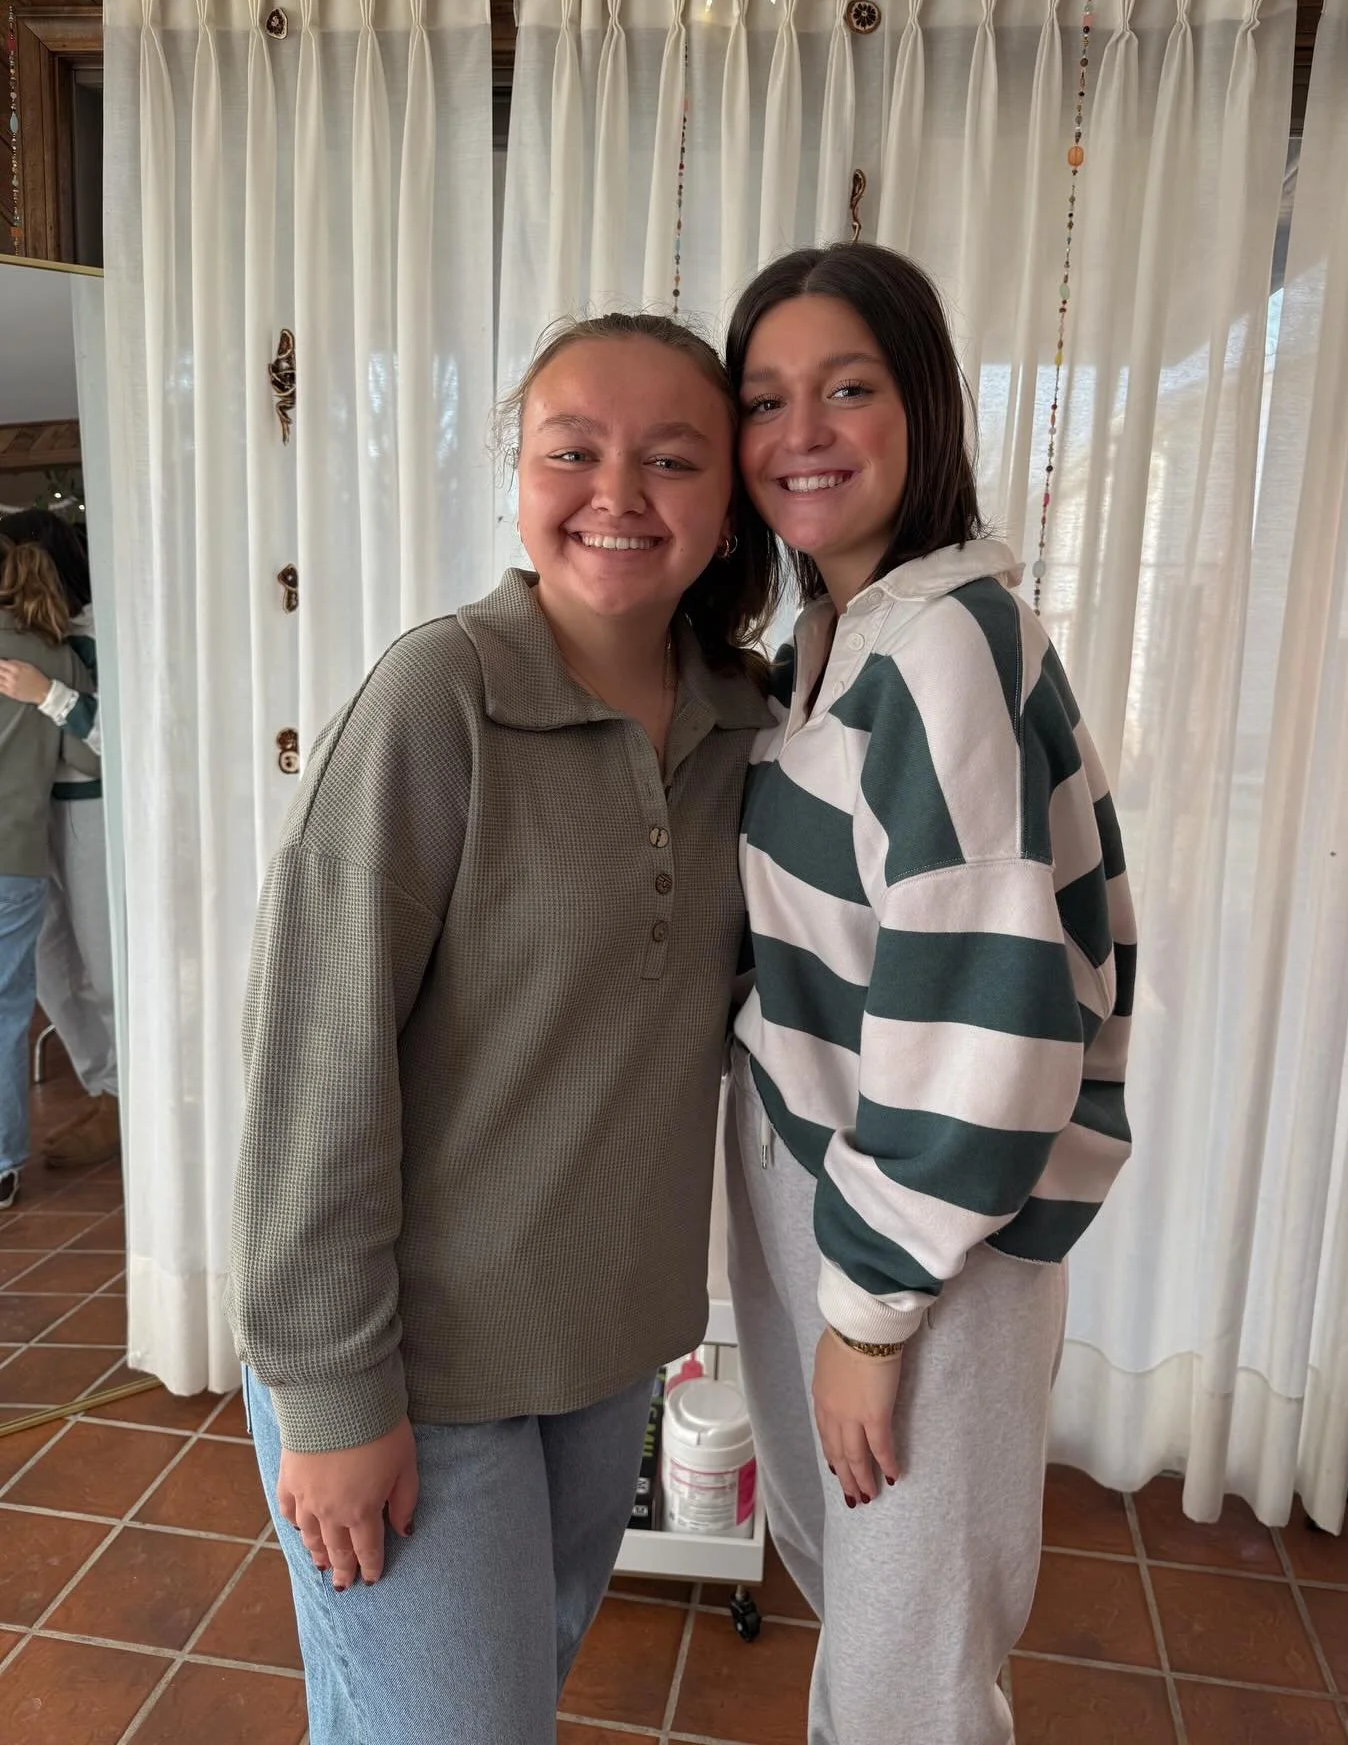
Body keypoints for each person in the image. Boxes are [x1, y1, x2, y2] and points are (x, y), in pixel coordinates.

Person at [228, 313, 778, 1745]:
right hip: (412, 1361)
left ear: (729, 508)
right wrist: (334, 1398)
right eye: (573, 450)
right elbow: (313, 1072)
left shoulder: (750, 727)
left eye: (672, 459)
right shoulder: (441, 697)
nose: (619, 493)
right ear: (517, 475)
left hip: (601, 1357)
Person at [723, 244, 1136, 1745]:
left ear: (926, 407)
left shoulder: (951, 647)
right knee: (868, 1606)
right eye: (765, 400)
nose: (802, 433)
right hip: (840, 1200)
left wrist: (876, 1317)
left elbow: (987, 1017)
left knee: (914, 1668)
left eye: (849, 388)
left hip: (926, 1241)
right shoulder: (834, 639)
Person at [0, 509, 118, 1168]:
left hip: (93, 812)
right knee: (49, 966)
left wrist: (51, 697)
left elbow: (109, 746)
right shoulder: (38, 638)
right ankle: (103, 1087)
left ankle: (122, 1099)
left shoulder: (95, 636)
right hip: (32, 817)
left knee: (101, 963)